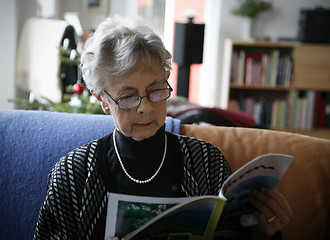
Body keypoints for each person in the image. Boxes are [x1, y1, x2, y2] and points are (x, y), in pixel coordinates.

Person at [34, 16, 292, 240]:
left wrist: (262, 233)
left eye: (155, 90)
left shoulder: (208, 162)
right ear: (102, 99)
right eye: (128, 96)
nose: (145, 107)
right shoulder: (72, 174)